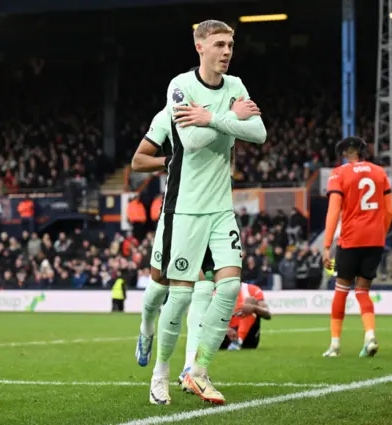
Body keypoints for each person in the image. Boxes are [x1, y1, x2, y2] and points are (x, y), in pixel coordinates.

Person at [148, 19, 266, 406]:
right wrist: (233, 120)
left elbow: (260, 134)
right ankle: (161, 372)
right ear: (200, 46)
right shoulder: (180, 86)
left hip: (221, 208)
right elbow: (193, 140)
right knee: (179, 299)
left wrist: (213, 117)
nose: (227, 51)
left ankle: (197, 371)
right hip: (185, 209)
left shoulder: (236, 85)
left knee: (230, 287)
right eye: (219, 44)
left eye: (231, 44)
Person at [133, 107, 216, 375]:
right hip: (176, 212)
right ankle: (146, 329)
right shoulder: (168, 115)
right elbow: (138, 161)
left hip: (211, 211)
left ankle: (190, 366)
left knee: (204, 285)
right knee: (159, 283)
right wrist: (170, 160)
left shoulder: (218, 114)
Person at [322, 136, 392, 358]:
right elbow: (389, 211)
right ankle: (370, 336)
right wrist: (379, 232)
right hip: (375, 239)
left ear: (346, 153)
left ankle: (335, 345)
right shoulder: (380, 172)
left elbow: (334, 211)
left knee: (341, 289)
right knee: (363, 290)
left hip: (351, 239)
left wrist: (326, 246)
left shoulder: (339, 174)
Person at [221, 283, 271, 351]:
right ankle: (236, 342)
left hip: (248, 337)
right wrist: (225, 329)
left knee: (250, 301)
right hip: (225, 335)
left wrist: (254, 308)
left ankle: (238, 342)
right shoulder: (215, 292)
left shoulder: (252, 289)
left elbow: (267, 314)